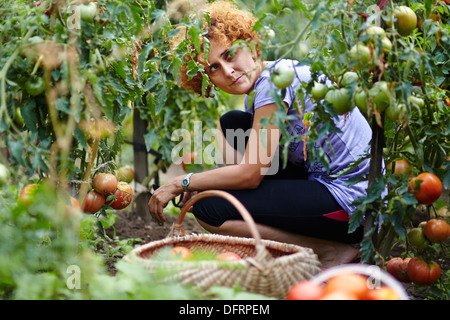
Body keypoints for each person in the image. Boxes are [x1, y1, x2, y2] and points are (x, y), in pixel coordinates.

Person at [148, 0, 372, 268]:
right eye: (214, 68)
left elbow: (250, 173)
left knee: (209, 210)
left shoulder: (275, 80)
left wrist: (182, 182)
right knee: (234, 123)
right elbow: (252, 167)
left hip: (354, 206)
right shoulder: (261, 90)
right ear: (207, 82)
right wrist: (204, 182)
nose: (228, 71)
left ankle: (328, 251)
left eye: (229, 55)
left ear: (251, 45)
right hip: (331, 188)